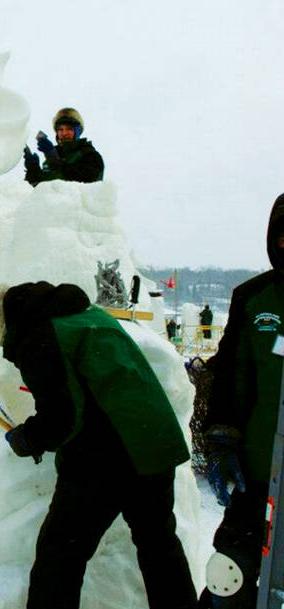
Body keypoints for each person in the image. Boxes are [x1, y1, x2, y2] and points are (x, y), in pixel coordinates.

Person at [0, 281, 197, 609]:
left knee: (60, 552)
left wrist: (27, 438)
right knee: (158, 546)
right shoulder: (83, 314)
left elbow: (62, 417)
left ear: (2, 322)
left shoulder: (39, 334)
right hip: (154, 441)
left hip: (106, 456)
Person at [198, 193, 284, 608]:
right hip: (257, 472)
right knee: (228, 576)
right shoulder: (254, 298)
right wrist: (219, 438)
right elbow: (230, 373)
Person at [23, 107, 104, 187]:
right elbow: (39, 190)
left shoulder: (90, 156)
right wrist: (32, 169)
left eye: (69, 129)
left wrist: (55, 161)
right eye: (60, 129)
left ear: (78, 131)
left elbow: (87, 181)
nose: (64, 133)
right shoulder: (52, 158)